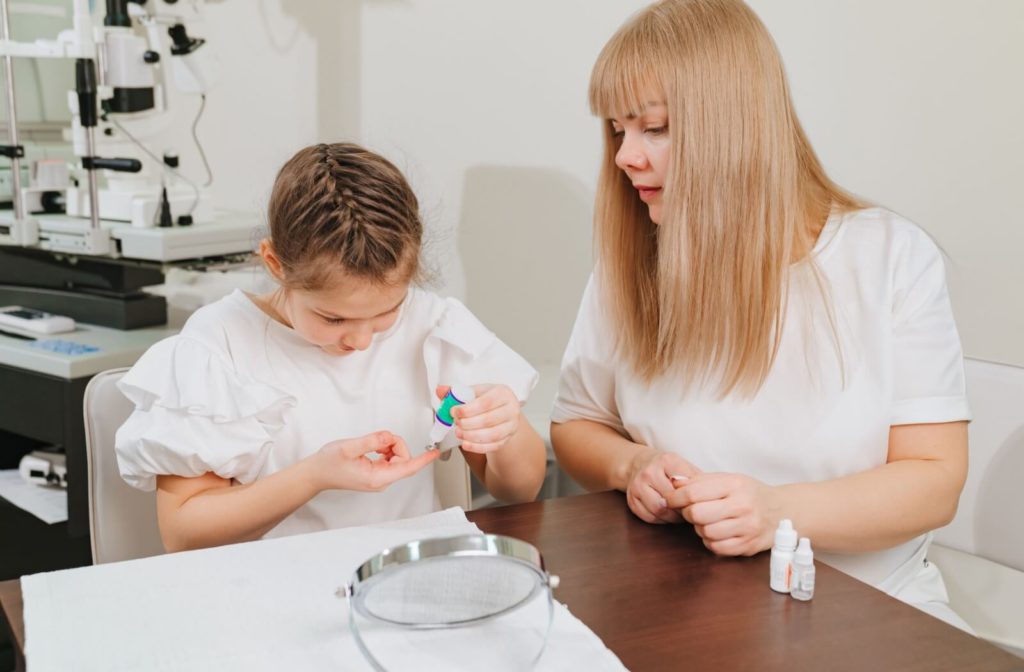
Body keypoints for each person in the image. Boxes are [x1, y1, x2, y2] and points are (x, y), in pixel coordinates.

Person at [550, 0, 970, 628]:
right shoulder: (631, 262)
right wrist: (629, 466)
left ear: (733, 129)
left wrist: (776, 512)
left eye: (654, 128)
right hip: (687, 605)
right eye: (618, 130)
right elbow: (576, 425)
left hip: (873, 614)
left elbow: (935, 481)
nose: (624, 157)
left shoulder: (888, 257)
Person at [116, 143, 546, 552]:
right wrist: (314, 476)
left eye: (385, 312)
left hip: (411, 580)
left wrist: (504, 428)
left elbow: (518, 489)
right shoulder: (221, 345)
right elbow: (183, 532)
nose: (360, 340)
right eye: (333, 318)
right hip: (274, 590)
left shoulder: (431, 327)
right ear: (275, 264)